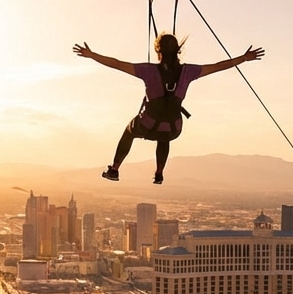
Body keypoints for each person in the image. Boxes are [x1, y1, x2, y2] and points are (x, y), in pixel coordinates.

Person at [73, 33, 265, 184]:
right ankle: (159, 173)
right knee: (164, 135)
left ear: (159, 51)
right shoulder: (189, 71)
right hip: (174, 127)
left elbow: (116, 64)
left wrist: (91, 55)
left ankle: (114, 169)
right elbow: (218, 66)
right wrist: (244, 58)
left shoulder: (147, 70)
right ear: (178, 51)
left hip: (147, 124)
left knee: (129, 131)